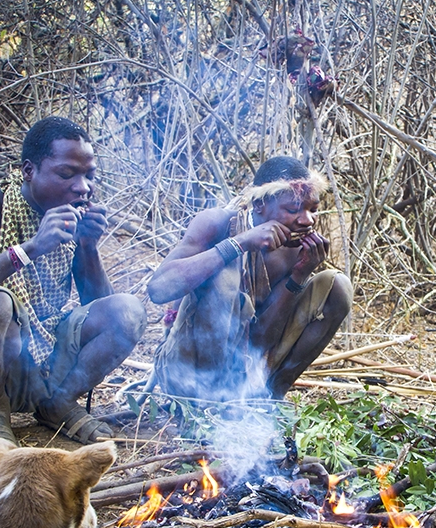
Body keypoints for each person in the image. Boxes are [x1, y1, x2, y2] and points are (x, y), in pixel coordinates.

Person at [0, 116, 147, 446]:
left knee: (129, 310)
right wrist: (29, 249)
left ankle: (57, 403)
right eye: (66, 173)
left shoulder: (72, 217)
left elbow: (100, 309)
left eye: (89, 176)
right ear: (29, 170)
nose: (83, 187)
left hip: (49, 360)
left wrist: (88, 246)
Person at [147, 156, 352, 401]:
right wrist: (238, 244)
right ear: (260, 205)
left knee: (338, 286)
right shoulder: (218, 223)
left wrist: (299, 275)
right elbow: (158, 289)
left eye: (313, 210)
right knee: (224, 279)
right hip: (185, 373)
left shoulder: (295, 247)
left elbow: (260, 339)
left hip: (244, 375)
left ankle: (269, 400)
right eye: (293, 209)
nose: (307, 220)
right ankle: (205, 405)